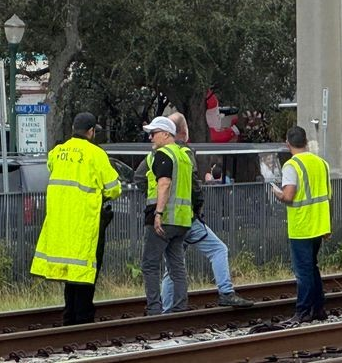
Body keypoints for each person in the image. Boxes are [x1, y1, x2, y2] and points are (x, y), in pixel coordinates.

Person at [30, 112, 121, 326]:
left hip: (61, 222)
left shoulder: (57, 152)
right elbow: (114, 188)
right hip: (86, 222)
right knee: (86, 270)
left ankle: (69, 316)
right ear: (91, 132)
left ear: (73, 128)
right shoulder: (95, 154)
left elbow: (53, 168)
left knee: (71, 272)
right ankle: (82, 317)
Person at [158, 113, 253, 310]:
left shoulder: (158, 153)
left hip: (166, 220)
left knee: (173, 267)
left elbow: (143, 178)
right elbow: (193, 185)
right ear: (184, 132)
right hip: (186, 219)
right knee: (218, 250)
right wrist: (199, 205)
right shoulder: (183, 152)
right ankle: (226, 291)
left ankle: (165, 311)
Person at [271, 126, 331, 325]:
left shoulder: (291, 166)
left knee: (303, 271)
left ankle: (303, 310)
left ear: (288, 144)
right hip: (320, 223)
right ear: (306, 141)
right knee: (312, 267)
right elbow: (327, 195)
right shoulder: (322, 163)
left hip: (301, 225)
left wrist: (277, 193)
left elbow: (289, 195)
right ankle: (318, 308)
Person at [141, 115, 194, 315]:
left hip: (164, 220)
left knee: (150, 265)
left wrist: (158, 214)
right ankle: (180, 308)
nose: (151, 138)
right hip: (181, 220)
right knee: (176, 266)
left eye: (153, 134)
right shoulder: (184, 156)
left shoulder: (163, 154)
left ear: (165, 134)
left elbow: (164, 184)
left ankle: (154, 309)